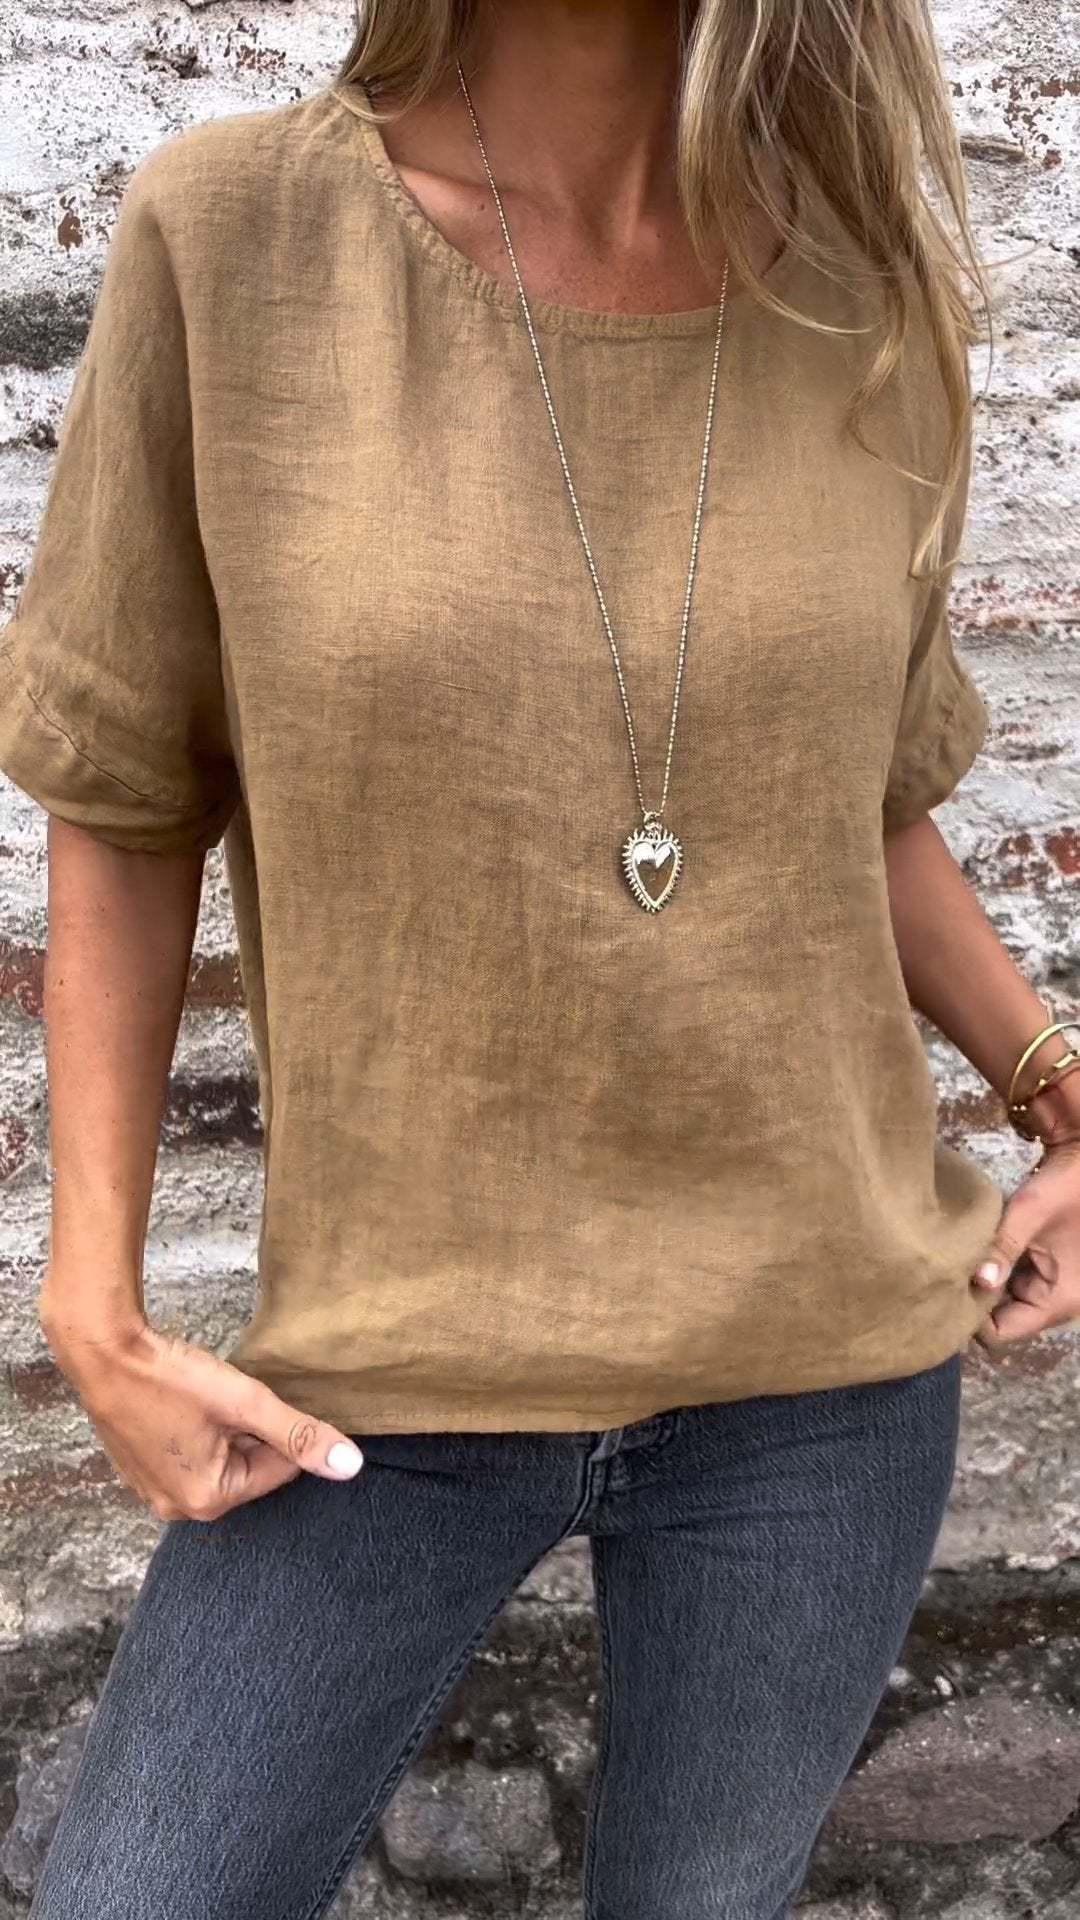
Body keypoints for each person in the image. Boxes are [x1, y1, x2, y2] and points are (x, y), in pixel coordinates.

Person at [2, 3, 1079, 1916]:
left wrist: (1058, 1086)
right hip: (380, 1389)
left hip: (822, 1380)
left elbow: (854, 805)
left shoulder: (861, 298)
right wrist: (93, 1300)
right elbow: (123, 789)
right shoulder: (234, 239)